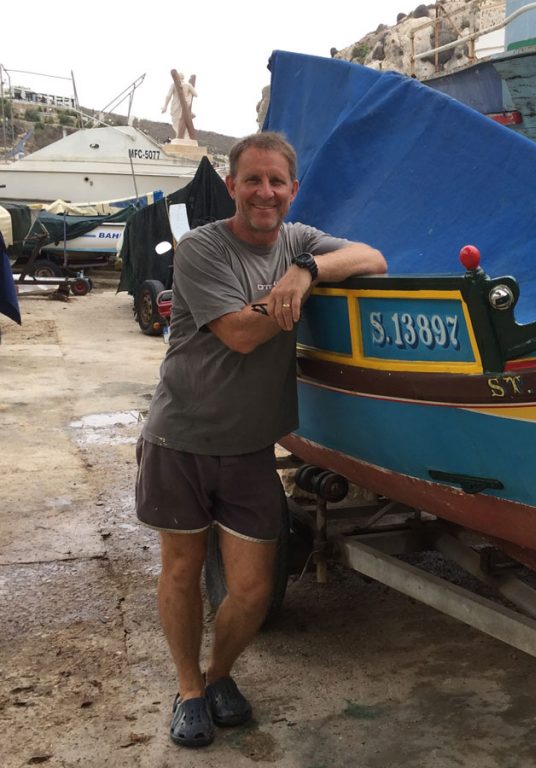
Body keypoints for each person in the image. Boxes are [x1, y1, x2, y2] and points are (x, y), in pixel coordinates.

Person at [134, 132, 387, 748]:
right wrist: (285, 299)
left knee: (250, 589)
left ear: (292, 190)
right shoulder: (200, 247)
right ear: (232, 186)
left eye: (277, 181)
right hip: (181, 439)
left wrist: (304, 272)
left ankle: (220, 674)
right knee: (182, 570)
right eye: (253, 180)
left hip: (249, 446)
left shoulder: (298, 241)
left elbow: (373, 256)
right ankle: (189, 688)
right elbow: (242, 335)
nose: (265, 192)